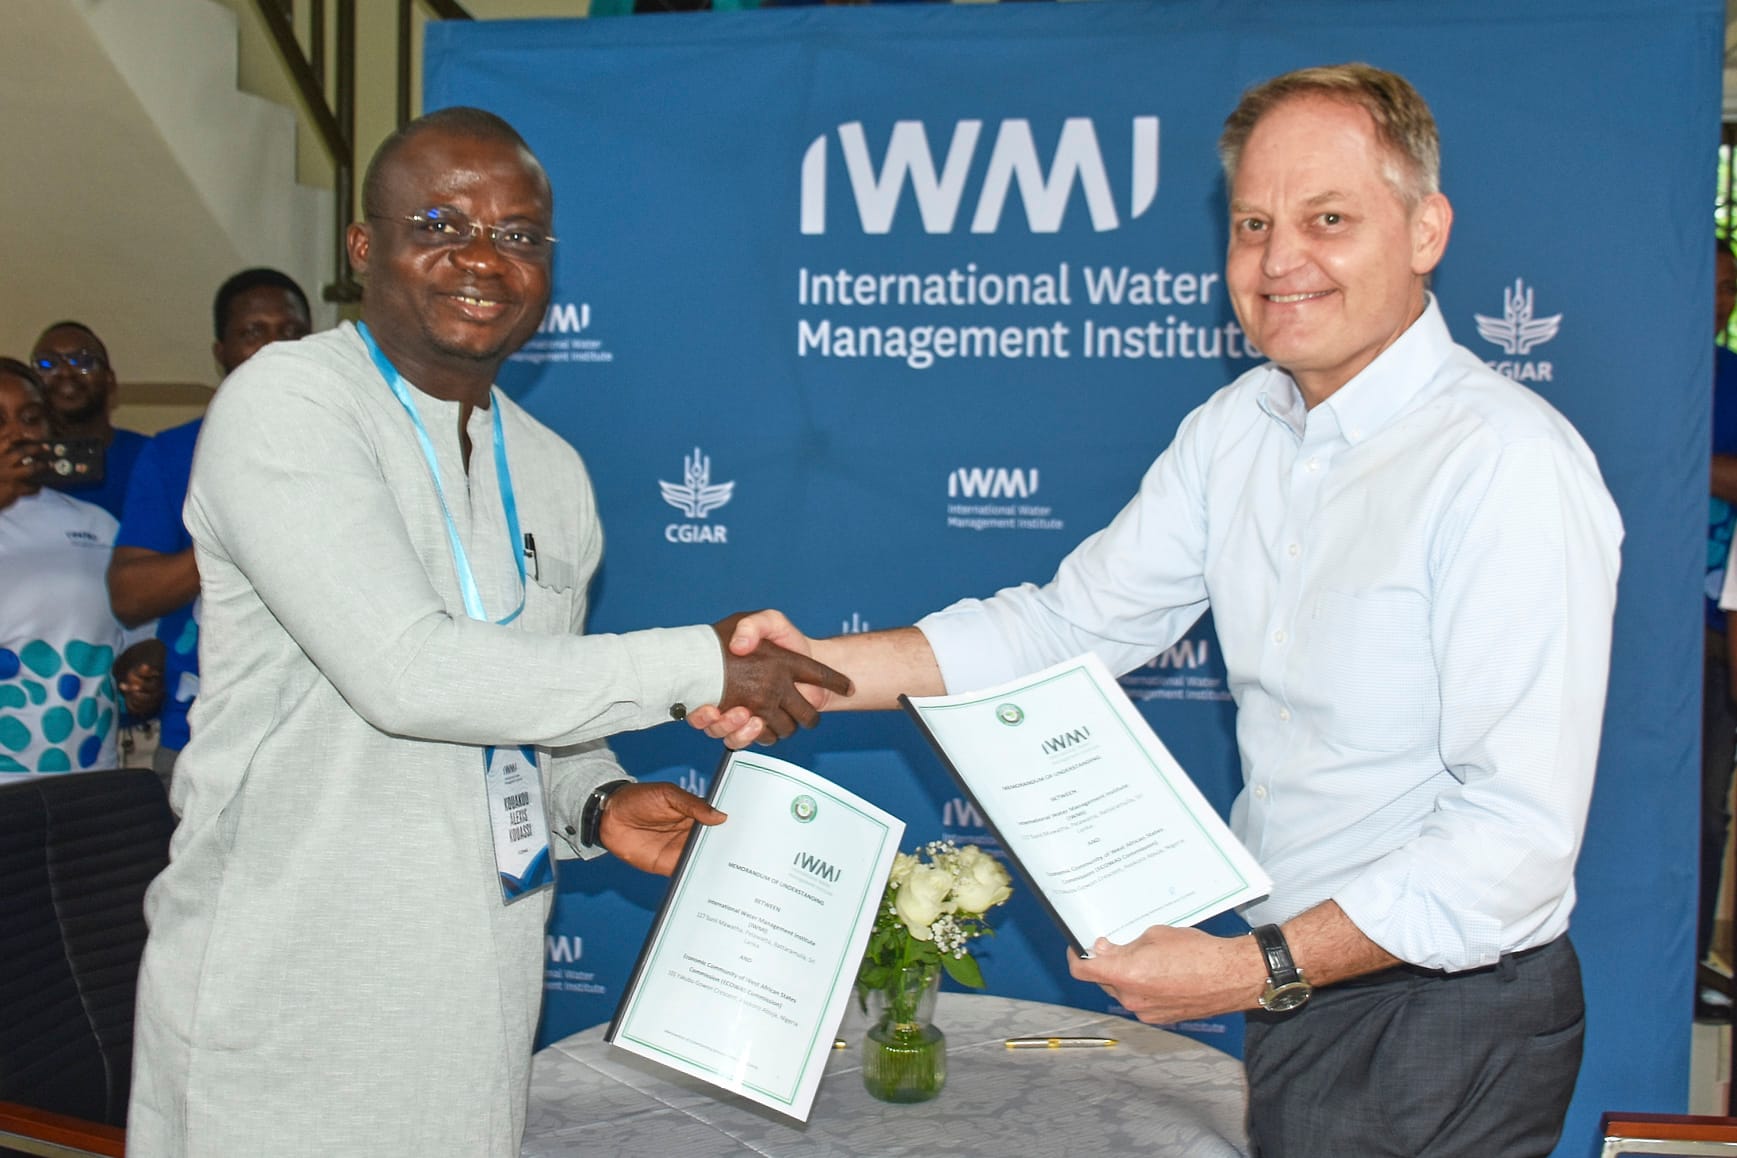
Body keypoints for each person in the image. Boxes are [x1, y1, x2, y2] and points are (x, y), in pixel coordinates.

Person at [694, 64, 1623, 1156]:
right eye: (1253, 223)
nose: (1281, 260)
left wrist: (1248, 968)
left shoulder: (1504, 464)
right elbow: (1066, 627)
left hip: (1443, 1018)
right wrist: (809, 668)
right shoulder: (1240, 429)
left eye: (1330, 219)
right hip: (1307, 985)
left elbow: (1511, 842)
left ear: (1426, 231)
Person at [125, 107, 850, 1158]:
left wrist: (594, 798)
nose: (482, 258)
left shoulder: (552, 467)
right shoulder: (287, 404)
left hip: (479, 992)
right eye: (441, 223)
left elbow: (522, 702)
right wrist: (704, 659)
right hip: (286, 992)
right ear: (364, 248)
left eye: (518, 235)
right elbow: (407, 672)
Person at [107, 268, 315, 785]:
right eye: (253, 332)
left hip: (324, 742)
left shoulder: (353, 444)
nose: (274, 348)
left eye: (291, 332)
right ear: (221, 350)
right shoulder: (174, 452)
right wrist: (243, 533)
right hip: (205, 741)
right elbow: (131, 597)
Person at [0, 358, 163, 775]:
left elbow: (140, 632)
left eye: (31, 418)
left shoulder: (95, 524)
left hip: (89, 781)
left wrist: (139, 672)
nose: (17, 434)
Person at [1702, 238, 1737, 1015]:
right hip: (1637, 627)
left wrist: (1686, 463)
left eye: (1733, 285)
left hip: (1712, 625)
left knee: (1705, 807)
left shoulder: (1733, 377)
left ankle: (1695, 961)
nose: (1724, 299)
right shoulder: (1638, 369)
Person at [29, 321, 149, 519]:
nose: (66, 373)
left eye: (83, 362)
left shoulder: (149, 458)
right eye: (47, 364)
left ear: (110, 380)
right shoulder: (17, 464)